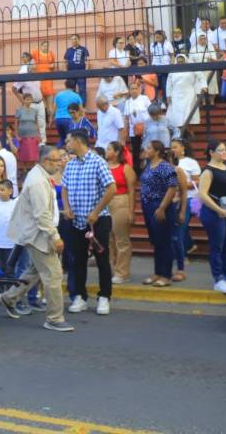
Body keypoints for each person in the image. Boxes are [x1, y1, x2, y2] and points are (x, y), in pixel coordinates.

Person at [0, 148, 72, 332]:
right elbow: (41, 215)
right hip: (37, 234)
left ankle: (9, 297)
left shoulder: (39, 175)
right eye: (56, 160)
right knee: (53, 274)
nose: (60, 162)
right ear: (46, 160)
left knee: (34, 271)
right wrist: (55, 237)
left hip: (35, 233)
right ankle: (54, 318)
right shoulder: (38, 181)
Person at [62, 131, 115, 315]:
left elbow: (111, 188)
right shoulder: (70, 164)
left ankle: (104, 296)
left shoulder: (98, 161)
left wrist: (96, 211)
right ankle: (80, 296)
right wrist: (67, 207)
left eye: (68, 141)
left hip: (98, 220)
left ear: (77, 141)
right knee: (77, 260)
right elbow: (64, 188)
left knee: (102, 258)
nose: (66, 144)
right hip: (76, 220)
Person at [197, 140, 226, 293]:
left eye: (225, 150)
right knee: (217, 246)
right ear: (211, 152)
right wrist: (217, 210)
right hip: (214, 212)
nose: (224, 153)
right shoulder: (208, 171)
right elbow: (202, 194)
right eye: (220, 150)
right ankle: (218, 278)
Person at [139, 141, 179, 287]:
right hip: (147, 205)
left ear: (156, 151)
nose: (146, 150)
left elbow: (172, 187)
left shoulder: (165, 166)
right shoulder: (148, 165)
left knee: (164, 241)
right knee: (156, 241)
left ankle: (166, 275)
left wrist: (162, 207)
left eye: (149, 148)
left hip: (160, 205)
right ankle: (158, 272)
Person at [100, 142, 135, 285]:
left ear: (116, 152)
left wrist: (131, 211)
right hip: (104, 201)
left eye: (109, 149)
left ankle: (122, 272)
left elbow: (131, 190)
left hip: (121, 200)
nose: (106, 151)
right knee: (107, 239)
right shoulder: (103, 167)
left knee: (121, 239)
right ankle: (112, 269)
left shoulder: (125, 168)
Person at [170, 137, 201, 277]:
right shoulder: (170, 163)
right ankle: (189, 246)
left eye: (175, 147)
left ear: (183, 148)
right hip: (175, 198)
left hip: (189, 198)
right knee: (179, 225)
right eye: (172, 147)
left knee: (180, 227)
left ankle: (182, 257)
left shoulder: (191, 162)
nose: (173, 149)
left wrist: (183, 184)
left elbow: (197, 181)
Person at [165, 54, 204, 137]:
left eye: (182, 61)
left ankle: (190, 130)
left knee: (189, 112)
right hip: (176, 95)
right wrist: (168, 96)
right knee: (177, 114)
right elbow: (168, 84)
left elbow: (200, 76)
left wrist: (204, 86)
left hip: (189, 94)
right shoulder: (172, 70)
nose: (180, 63)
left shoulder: (191, 68)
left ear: (185, 60)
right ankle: (180, 132)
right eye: (178, 62)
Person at [15, 93, 42, 167]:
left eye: (30, 99)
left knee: (33, 153)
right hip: (22, 136)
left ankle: (32, 168)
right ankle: (24, 169)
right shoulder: (19, 110)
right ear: (23, 100)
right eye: (27, 99)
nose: (29, 101)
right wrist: (16, 135)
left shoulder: (34, 110)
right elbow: (16, 123)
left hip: (33, 135)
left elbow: (36, 122)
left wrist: (39, 134)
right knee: (23, 154)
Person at [33, 40, 56, 112]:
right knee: (42, 102)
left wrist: (52, 67)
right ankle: (45, 117)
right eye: (44, 46)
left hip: (48, 79)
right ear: (41, 46)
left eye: (47, 46)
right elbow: (31, 61)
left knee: (50, 101)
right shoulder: (35, 53)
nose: (46, 47)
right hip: (39, 78)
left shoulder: (51, 54)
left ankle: (50, 119)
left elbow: (53, 65)